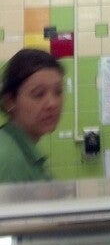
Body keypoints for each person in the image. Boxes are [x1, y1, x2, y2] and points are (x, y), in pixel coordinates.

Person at [0, 48, 64, 182]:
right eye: (39, 94)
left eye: (58, 92)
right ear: (9, 102)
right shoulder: (7, 159)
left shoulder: (20, 148)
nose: (52, 103)